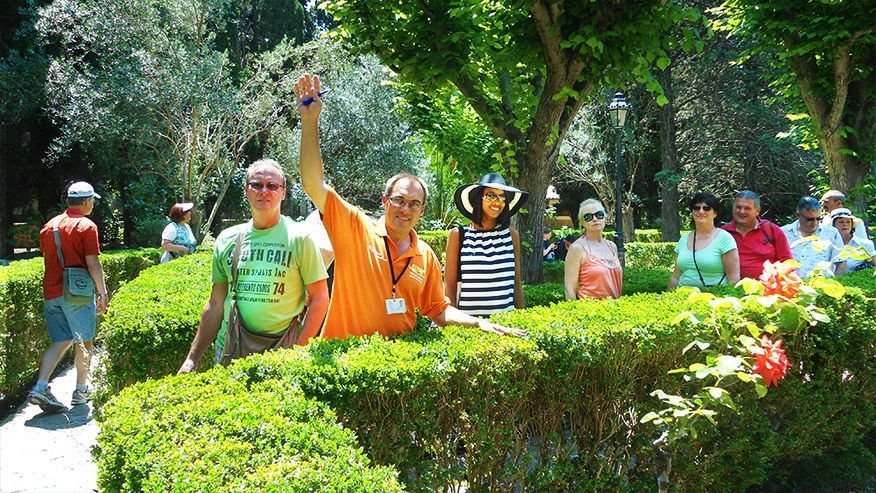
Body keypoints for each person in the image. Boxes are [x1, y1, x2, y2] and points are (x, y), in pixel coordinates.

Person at [295, 72, 523, 339]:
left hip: (398, 359)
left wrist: (478, 323)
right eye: (399, 200)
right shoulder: (355, 228)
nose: (405, 210)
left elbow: (438, 309)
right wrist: (310, 122)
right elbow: (313, 184)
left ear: (422, 211)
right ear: (385, 201)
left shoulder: (424, 255)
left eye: (414, 204)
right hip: (350, 358)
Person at [177, 159, 329, 373]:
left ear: (283, 193)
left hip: (282, 351)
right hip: (230, 347)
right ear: (246, 190)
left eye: (272, 186)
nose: (264, 191)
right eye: (256, 184)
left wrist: (298, 350)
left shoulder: (301, 238)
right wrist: (192, 359)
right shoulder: (227, 239)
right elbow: (216, 302)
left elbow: (320, 298)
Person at [28, 181, 109, 413]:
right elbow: (93, 262)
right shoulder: (86, 226)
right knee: (84, 341)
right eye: (92, 201)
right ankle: (81, 391)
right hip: (77, 293)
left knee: (61, 339)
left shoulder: (49, 226)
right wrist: (102, 292)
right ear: (86, 201)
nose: (93, 205)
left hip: (51, 291)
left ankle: (40, 387)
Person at [444, 173, 528, 317]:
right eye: (491, 196)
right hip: (469, 325)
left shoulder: (512, 235)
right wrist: (451, 322)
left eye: (502, 197)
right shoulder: (459, 235)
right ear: (478, 197)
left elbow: (516, 282)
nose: (497, 202)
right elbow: (449, 285)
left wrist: (523, 318)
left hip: (506, 323)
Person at [668, 193, 740, 289]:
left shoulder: (725, 239)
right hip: (682, 294)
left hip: (713, 296)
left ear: (715, 213)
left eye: (706, 208)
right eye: (696, 208)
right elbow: (675, 277)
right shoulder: (684, 239)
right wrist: (667, 295)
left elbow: (733, 280)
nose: (701, 211)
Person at [721, 190, 792, 280]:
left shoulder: (771, 230)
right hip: (731, 286)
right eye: (738, 207)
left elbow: (787, 262)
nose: (742, 212)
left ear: (757, 211)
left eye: (747, 208)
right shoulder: (724, 233)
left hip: (767, 286)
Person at [564, 199, 623, 300]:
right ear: (582, 222)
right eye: (588, 217)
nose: (595, 219)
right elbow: (569, 289)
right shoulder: (577, 248)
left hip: (616, 308)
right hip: (589, 308)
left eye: (599, 215)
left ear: (605, 218)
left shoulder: (612, 246)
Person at [781, 196, 847, 278]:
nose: (815, 223)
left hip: (822, 283)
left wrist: (837, 281)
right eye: (810, 219)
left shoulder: (832, 233)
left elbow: (841, 262)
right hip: (790, 283)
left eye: (818, 218)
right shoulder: (783, 233)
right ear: (798, 215)